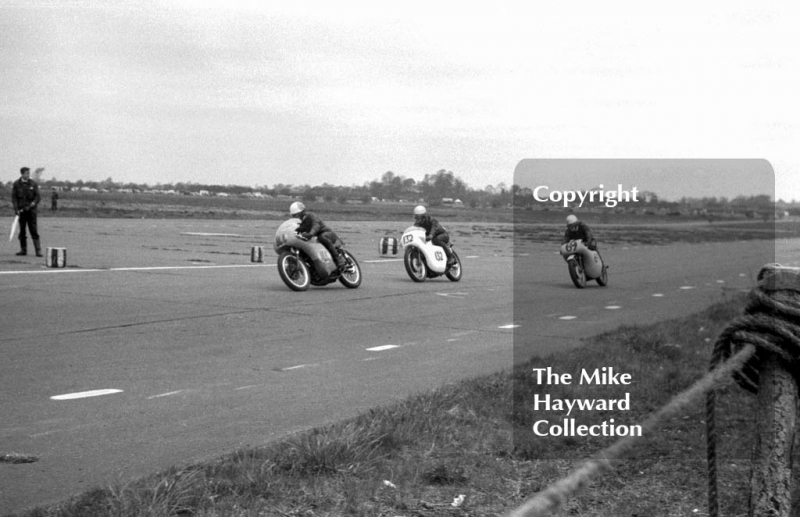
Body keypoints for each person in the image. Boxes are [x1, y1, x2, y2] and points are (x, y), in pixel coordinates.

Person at [289, 201, 346, 270]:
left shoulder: (311, 216)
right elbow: (295, 229)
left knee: (322, 237)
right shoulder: (300, 223)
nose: (296, 217)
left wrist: (310, 234)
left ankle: (339, 259)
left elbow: (316, 225)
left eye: (297, 215)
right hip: (314, 237)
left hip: (327, 233)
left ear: (302, 212)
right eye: (294, 216)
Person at [11, 167, 43, 257]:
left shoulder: (33, 183)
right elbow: (14, 198)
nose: (28, 175)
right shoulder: (16, 184)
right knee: (22, 231)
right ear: (22, 174)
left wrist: (32, 204)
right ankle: (23, 249)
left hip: (31, 211)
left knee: (33, 230)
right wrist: (16, 209)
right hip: (21, 211)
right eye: (26, 173)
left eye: (29, 173)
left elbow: (38, 197)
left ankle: (38, 250)